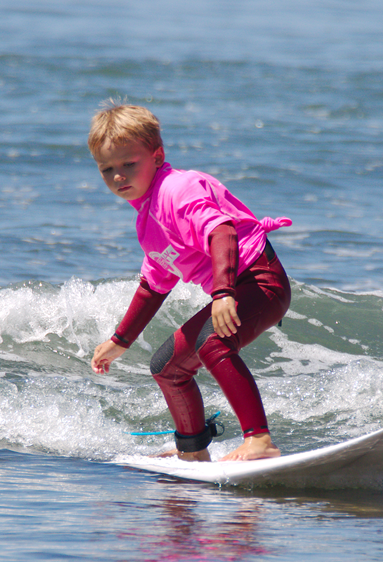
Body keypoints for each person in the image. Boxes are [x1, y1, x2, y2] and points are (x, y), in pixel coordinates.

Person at [88, 102, 291, 462]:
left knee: (212, 344)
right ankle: (193, 452)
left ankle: (259, 440)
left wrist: (223, 292)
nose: (118, 176)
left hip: (259, 280)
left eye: (128, 164)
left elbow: (222, 231)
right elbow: (154, 284)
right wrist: (120, 340)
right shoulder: (148, 221)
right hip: (233, 286)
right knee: (166, 367)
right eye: (107, 169)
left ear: (157, 155)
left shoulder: (178, 190)